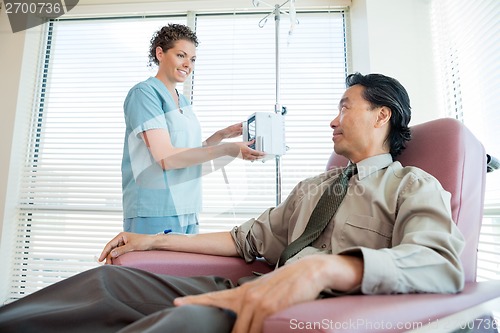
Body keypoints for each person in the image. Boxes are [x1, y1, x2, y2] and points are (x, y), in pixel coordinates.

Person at [0, 73, 465, 333]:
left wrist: (328, 268)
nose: (332, 119)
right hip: (247, 283)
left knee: (180, 323)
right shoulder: (314, 188)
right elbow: (245, 240)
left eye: (345, 107)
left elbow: (440, 263)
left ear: (381, 114)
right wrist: (148, 238)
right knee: (108, 283)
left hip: (303, 305)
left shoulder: (410, 185)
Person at [121, 23, 264, 235]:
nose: (188, 64)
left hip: (188, 207)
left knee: (184, 269)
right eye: (181, 55)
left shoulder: (183, 101)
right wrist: (228, 149)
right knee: (152, 269)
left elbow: (189, 151)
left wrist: (221, 135)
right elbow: (167, 158)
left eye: (193, 59)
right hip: (154, 210)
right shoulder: (145, 94)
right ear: (160, 53)